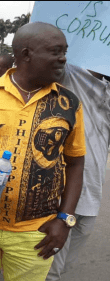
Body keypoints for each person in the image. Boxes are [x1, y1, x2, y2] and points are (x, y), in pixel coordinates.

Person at [0, 22, 85, 280]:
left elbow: (76, 163)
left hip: (36, 233)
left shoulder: (69, 103)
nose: (63, 58)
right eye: (56, 51)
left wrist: (65, 220)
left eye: (64, 51)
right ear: (26, 54)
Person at [45, 64, 109, 280]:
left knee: (64, 266)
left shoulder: (107, 88)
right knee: (49, 268)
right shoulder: (70, 73)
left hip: (91, 194)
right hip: (63, 192)